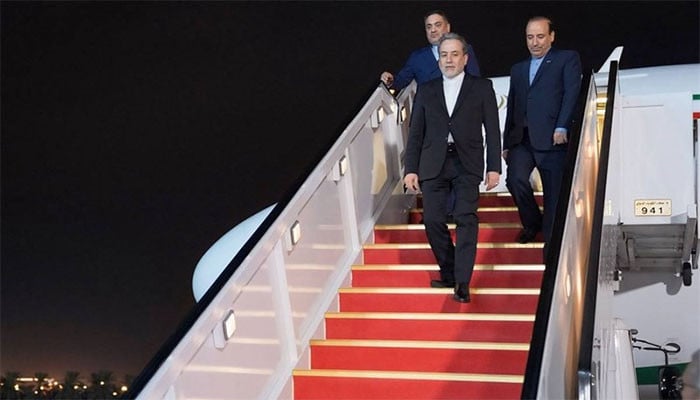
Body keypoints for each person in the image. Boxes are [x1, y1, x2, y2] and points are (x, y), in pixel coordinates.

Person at [403, 32, 501, 303]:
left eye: (454, 54)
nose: (449, 60)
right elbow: (416, 133)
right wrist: (410, 169)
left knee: (465, 217)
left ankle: (462, 282)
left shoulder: (481, 87)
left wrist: (494, 167)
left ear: (465, 58)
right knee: (432, 220)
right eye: (444, 55)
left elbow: (493, 130)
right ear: (439, 60)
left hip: (467, 162)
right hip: (432, 162)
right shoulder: (426, 90)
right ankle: (449, 272)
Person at [502, 16, 582, 246]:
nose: (534, 42)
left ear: (551, 36)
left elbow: (571, 93)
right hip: (522, 139)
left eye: (540, 36)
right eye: (530, 37)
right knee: (515, 180)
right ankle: (532, 223)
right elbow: (513, 106)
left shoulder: (566, 59)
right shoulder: (518, 69)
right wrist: (507, 143)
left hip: (553, 139)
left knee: (553, 195)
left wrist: (562, 125)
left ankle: (551, 245)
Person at [380, 10, 481, 91]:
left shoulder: (464, 49)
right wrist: (389, 80)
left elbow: (475, 82)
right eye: (429, 27)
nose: (433, 30)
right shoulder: (417, 58)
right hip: (431, 109)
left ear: (448, 27)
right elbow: (399, 82)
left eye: (438, 25)